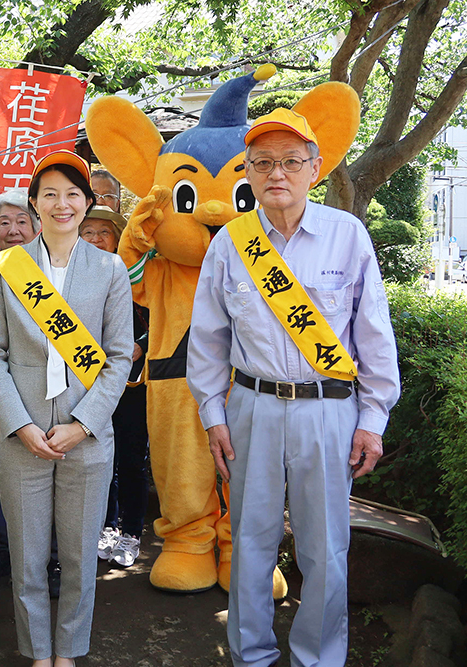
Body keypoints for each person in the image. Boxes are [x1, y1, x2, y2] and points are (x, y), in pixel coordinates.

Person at [187, 108, 401, 666]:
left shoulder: (347, 235)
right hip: (251, 408)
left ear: (316, 167)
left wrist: (372, 420)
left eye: (289, 161)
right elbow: (207, 340)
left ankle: (319, 657)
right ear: (249, 174)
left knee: (325, 548)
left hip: (328, 412)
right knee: (250, 541)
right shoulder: (231, 243)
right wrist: (213, 415)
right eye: (261, 163)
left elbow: (374, 335)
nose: (275, 173)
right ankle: (250, 655)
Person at [0, 150, 133, 667]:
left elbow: (118, 357)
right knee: (26, 557)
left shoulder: (111, 268)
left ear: (87, 203)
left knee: (77, 556)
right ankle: (36, 651)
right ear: (33, 203)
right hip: (22, 436)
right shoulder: (5, 268)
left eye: (72, 194)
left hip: (85, 436)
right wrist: (18, 423)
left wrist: (84, 424)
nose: (61, 204)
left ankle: (68, 650)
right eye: (50, 193)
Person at [79, 206, 151, 568]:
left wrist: (143, 343)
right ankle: (105, 526)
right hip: (86, 384)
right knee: (97, 457)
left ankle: (132, 531)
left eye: (103, 232)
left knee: (130, 459)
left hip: (131, 384)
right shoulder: (71, 275)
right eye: (87, 231)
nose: (94, 239)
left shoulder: (139, 273)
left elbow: (166, 319)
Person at [0, 189, 43, 589]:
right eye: (5, 222)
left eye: (22, 221)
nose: (13, 229)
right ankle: (2, 553)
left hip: (47, 401)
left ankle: (51, 561)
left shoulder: (53, 275)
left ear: (37, 226)